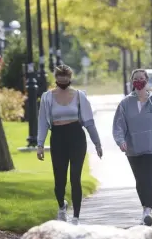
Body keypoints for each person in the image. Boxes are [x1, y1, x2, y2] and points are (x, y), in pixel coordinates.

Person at [37, 64, 103, 225]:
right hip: (58, 137)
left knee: (75, 178)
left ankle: (76, 217)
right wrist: (40, 144)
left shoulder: (80, 96)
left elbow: (89, 121)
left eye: (66, 79)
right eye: (60, 79)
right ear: (56, 79)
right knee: (59, 180)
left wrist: (97, 143)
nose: (63, 82)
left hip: (76, 137)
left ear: (70, 78)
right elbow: (42, 123)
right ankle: (61, 207)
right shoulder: (47, 97)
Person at [112, 69, 152, 226]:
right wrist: (121, 141)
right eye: (136, 78)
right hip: (133, 149)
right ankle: (145, 208)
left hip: (151, 148)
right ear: (132, 81)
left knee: (148, 177)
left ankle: (147, 211)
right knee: (140, 179)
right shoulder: (125, 103)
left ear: (146, 81)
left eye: (142, 78)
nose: (139, 81)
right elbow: (119, 125)